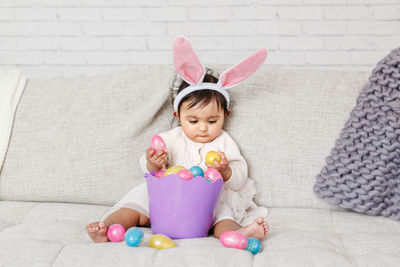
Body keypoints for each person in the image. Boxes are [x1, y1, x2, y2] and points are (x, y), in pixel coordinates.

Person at [86, 36, 269, 243]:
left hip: (205, 202)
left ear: (225, 116)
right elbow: (150, 172)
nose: (202, 128)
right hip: (167, 198)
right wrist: (153, 163)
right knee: (136, 204)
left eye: (212, 120)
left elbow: (240, 177)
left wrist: (226, 171)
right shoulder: (170, 138)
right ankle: (107, 228)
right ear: (178, 117)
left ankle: (237, 233)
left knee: (222, 212)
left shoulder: (224, 142)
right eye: (193, 120)